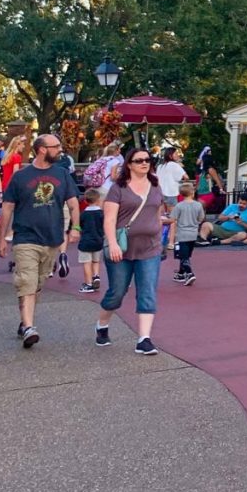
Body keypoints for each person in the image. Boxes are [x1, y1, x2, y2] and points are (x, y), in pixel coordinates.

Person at [0, 134, 81, 349]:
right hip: (25, 237)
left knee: (38, 284)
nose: (60, 150)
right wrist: (1, 239)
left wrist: (76, 227)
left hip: (52, 238)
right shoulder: (21, 177)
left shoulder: (62, 174)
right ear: (42, 149)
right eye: (56, 146)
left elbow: (73, 203)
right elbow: (7, 208)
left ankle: (25, 321)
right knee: (27, 281)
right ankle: (30, 328)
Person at [94, 148, 163, 354]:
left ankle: (144, 339)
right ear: (129, 164)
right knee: (117, 292)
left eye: (147, 160)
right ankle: (102, 324)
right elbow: (109, 219)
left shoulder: (156, 185)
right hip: (122, 248)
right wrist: (113, 243)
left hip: (149, 247)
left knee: (147, 291)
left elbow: (158, 212)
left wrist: (160, 234)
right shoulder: (118, 188)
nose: (144, 163)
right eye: (139, 160)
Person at [171, 181, 205, 283]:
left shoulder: (179, 206)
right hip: (193, 233)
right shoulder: (198, 205)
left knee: (183, 255)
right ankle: (181, 273)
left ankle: (189, 273)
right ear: (192, 193)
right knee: (186, 254)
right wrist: (196, 223)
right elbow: (201, 217)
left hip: (182, 233)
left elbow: (173, 218)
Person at [156, 147, 187, 252]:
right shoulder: (174, 165)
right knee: (173, 218)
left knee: (160, 217)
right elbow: (185, 177)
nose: (178, 155)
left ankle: (159, 240)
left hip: (159, 194)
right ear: (171, 155)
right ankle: (171, 242)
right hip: (171, 193)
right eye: (176, 154)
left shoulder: (160, 166)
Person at [77, 188, 105, 294]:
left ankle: (88, 284)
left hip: (85, 241)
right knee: (96, 261)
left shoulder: (83, 214)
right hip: (98, 240)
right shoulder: (101, 214)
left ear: (85, 200)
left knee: (86, 263)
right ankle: (96, 276)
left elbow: (80, 226)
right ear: (98, 200)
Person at [194, 147, 223, 213]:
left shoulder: (211, 170)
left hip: (207, 193)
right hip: (199, 193)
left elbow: (217, 180)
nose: (201, 161)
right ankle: (203, 223)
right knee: (201, 212)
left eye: (202, 160)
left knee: (198, 209)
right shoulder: (202, 171)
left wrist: (221, 189)